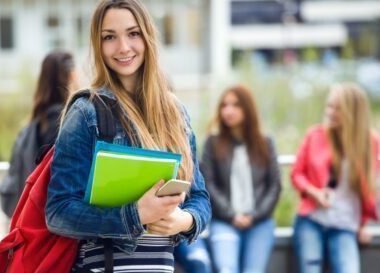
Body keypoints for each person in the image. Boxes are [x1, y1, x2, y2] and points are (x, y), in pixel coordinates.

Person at [45, 1, 211, 272]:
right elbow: (58, 212)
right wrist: (135, 216)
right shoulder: (86, 111)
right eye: (109, 37)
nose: (123, 47)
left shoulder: (176, 112)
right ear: (98, 46)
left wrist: (186, 221)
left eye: (133, 34)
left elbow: (200, 196)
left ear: (148, 37)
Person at [291, 82, 380, 273]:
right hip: (312, 219)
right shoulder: (315, 135)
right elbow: (296, 174)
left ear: (353, 112)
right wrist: (314, 192)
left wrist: (364, 224)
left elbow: (370, 189)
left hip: (346, 224)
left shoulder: (371, 143)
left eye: (338, 108)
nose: (330, 112)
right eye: (329, 106)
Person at [202, 84, 282, 273]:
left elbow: (275, 187)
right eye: (224, 105)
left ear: (248, 109)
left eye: (236, 105)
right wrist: (232, 215)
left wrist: (254, 216)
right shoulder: (212, 143)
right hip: (224, 221)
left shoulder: (265, 143)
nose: (228, 110)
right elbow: (208, 184)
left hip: (260, 223)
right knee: (226, 269)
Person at [0, 50, 77, 217]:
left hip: (29, 217)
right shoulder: (67, 122)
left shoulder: (32, 125)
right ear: (70, 75)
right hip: (51, 224)